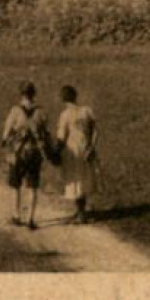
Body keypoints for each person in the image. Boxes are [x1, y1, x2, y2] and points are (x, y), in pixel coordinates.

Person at [1, 80, 51, 229]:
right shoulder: (41, 111)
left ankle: (16, 215)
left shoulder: (15, 110)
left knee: (16, 184)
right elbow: (45, 132)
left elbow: (7, 131)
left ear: (21, 94)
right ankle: (30, 219)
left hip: (18, 152)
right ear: (34, 94)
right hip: (35, 151)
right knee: (33, 186)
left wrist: (5, 141)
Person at [55, 84, 100, 224]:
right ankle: (82, 210)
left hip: (73, 151)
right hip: (86, 148)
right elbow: (96, 131)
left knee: (76, 180)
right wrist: (92, 146)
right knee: (85, 178)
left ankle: (81, 214)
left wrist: (56, 151)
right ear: (75, 96)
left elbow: (61, 137)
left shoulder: (65, 115)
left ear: (63, 99)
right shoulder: (86, 111)